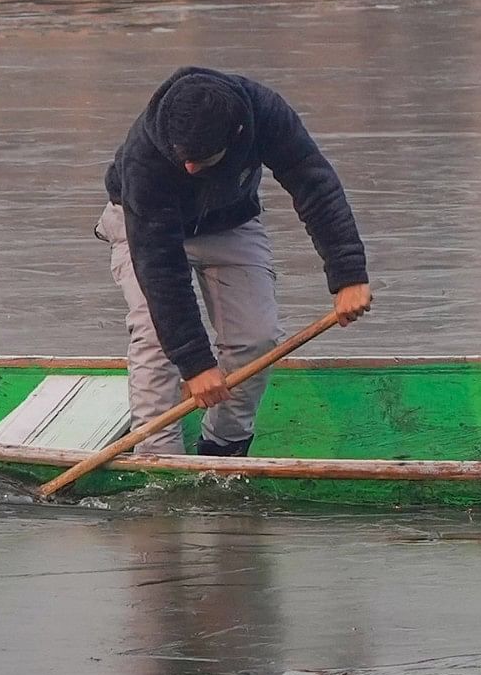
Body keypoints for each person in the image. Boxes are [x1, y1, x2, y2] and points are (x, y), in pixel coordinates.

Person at [100, 66, 372, 459]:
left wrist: (349, 274)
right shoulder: (146, 156)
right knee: (157, 338)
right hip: (141, 227)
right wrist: (195, 364)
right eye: (183, 159)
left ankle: (223, 449)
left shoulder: (264, 114)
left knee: (257, 338)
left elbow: (315, 185)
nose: (190, 169)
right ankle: (156, 457)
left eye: (202, 159)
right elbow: (161, 270)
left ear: (236, 135)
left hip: (231, 221)